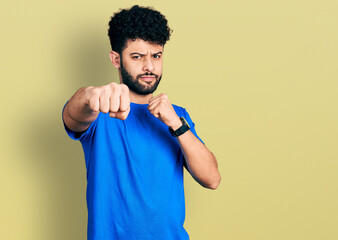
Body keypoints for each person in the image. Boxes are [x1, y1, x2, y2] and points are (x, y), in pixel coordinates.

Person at [62, 5, 221, 240]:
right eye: (137, 56)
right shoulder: (99, 109)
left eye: (156, 56)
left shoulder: (177, 116)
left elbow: (212, 179)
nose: (149, 66)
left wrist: (177, 124)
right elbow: (72, 117)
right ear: (116, 59)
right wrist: (88, 95)